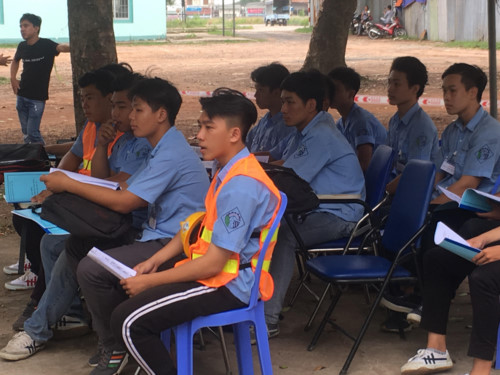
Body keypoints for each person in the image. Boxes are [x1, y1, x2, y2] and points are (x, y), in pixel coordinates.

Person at [0, 77, 210, 366]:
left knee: (91, 268)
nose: (128, 117)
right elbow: (122, 188)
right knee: (76, 245)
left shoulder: (170, 152)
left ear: (161, 114)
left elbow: (126, 200)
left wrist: (70, 185)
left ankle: (116, 344)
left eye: (136, 109)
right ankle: (103, 335)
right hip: (155, 236)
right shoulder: (158, 147)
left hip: (174, 244)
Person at [75, 87, 281, 375]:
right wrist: (156, 260)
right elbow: (194, 226)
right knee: (128, 312)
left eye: (209, 127)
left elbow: (214, 262)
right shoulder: (228, 171)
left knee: (129, 321)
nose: (200, 135)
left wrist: (151, 281)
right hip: (213, 275)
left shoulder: (241, 185)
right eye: (200, 126)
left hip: (230, 285)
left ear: (234, 134)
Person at [400, 64, 500, 375]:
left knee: (447, 225)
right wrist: (424, 196)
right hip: (486, 214)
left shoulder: (490, 132)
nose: (445, 97)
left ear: (473, 93)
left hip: (473, 210)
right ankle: (436, 347)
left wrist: (434, 204)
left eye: (452, 90)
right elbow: (443, 172)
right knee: (436, 255)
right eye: (443, 90)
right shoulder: (454, 130)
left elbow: (468, 182)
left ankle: (423, 299)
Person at [264, 71, 366, 337]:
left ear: (311, 105)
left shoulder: (320, 135)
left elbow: (288, 179)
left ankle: (266, 321)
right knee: (269, 226)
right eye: (283, 102)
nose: (283, 109)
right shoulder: (305, 129)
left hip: (340, 214)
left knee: (284, 235)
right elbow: (284, 165)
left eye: (290, 102)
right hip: (319, 207)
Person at [385, 56, 441, 195]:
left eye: (397, 84)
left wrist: (383, 191)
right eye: (389, 82)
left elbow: (414, 174)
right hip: (398, 189)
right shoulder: (395, 121)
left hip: (415, 196)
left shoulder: (421, 127)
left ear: (415, 89)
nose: (390, 89)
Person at [10, 13, 70, 144]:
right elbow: (15, 61)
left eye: (26, 26)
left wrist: (76, 46)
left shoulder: (46, 44)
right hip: (21, 95)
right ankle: (31, 159)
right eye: (20, 26)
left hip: (37, 98)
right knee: (26, 133)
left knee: (33, 133)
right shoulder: (22, 46)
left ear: (36, 28)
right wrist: (13, 78)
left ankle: (43, 157)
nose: (22, 29)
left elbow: (61, 47)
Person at [329, 66, 387, 171]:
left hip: (376, 181)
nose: (330, 94)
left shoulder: (361, 122)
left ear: (351, 94)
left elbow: (364, 165)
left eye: (335, 90)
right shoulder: (340, 124)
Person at [246, 62, 294, 153]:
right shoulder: (264, 121)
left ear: (277, 92)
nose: (256, 95)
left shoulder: (289, 127)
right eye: (256, 90)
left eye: (261, 90)